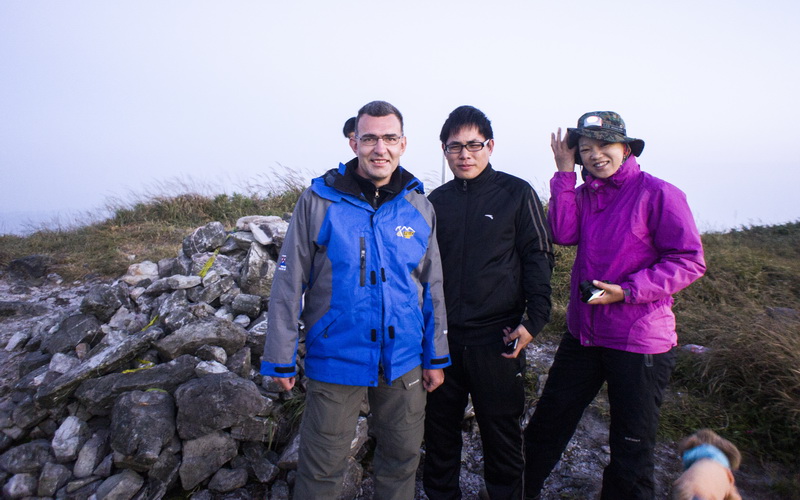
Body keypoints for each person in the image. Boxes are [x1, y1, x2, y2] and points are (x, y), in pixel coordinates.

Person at [261, 100, 451, 499]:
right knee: (321, 467)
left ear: (403, 144)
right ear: (354, 142)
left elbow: (432, 286)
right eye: (369, 138)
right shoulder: (318, 201)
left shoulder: (419, 207)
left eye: (389, 138)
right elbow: (288, 279)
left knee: (401, 459)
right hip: (336, 355)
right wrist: (279, 355)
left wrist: (435, 356)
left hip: (404, 359)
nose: (379, 148)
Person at [524, 111, 706, 499]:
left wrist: (627, 290)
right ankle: (515, 490)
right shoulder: (585, 193)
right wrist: (563, 173)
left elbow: (689, 260)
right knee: (549, 420)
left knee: (631, 443)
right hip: (585, 334)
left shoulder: (658, 193)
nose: (595, 155)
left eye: (604, 145)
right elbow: (562, 232)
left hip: (639, 340)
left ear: (625, 147)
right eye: (585, 149)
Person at [423, 105, 554, 500]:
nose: (465, 154)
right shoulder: (435, 202)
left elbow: (538, 255)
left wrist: (535, 319)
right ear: (444, 151)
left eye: (474, 145)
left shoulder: (517, 193)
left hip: (498, 340)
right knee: (440, 436)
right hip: (444, 342)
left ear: (490, 146)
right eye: (455, 147)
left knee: (502, 438)